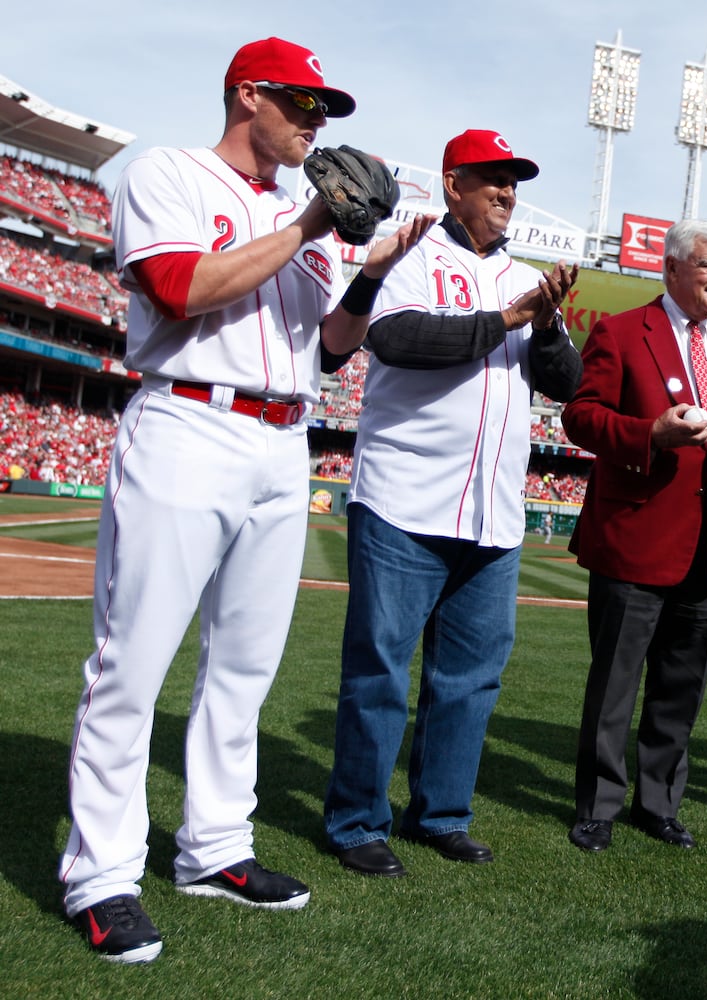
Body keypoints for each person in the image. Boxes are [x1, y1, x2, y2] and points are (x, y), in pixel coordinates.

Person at [58, 37, 434, 964]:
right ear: (248, 94)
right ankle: (99, 875)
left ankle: (215, 848)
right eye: (303, 105)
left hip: (282, 440)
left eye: (324, 112)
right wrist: (309, 226)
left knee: (244, 669)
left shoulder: (294, 218)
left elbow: (336, 347)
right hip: (189, 422)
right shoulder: (168, 173)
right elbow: (180, 289)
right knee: (132, 662)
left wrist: (374, 270)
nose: (316, 125)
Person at [324, 130, 581, 876]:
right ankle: (356, 823)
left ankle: (440, 813)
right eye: (492, 177)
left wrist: (546, 320)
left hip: (493, 514)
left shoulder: (524, 278)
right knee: (380, 668)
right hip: (404, 500)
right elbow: (399, 340)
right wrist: (509, 318)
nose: (506, 190)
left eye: (513, 180)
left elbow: (563, 383)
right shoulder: (416, 256)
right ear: (452, 184)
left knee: (470, 677)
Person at [563, 219, 707, 852]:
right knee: (616, 685)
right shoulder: (621, 332)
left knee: (682, 688)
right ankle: (598, 805)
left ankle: (659, 803)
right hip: (636, 538)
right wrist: (651, 434)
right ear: (672, 268)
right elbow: (582, 417)